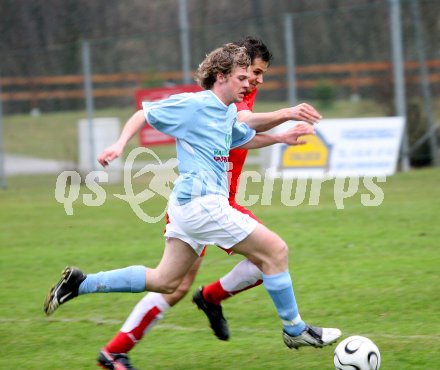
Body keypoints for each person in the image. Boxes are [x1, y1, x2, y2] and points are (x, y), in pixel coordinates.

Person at [44, 42, 341, 369]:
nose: (248, 84)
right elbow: (144, 113)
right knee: (276, 251)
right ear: (220, 76)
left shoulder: (227, 111)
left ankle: (81, 283)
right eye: (243, 77)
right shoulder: (195, 104)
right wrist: (118, 144)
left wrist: (281, 138)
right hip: (203, 203)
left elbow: (242, 136)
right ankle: (294, 328)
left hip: (188, 208)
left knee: (165, 281)